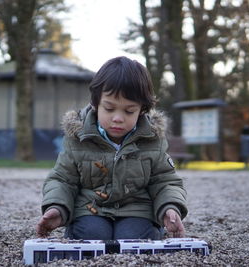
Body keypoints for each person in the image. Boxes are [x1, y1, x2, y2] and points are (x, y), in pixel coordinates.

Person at [36, 56, 187, 240]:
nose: (117, 118)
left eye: (129, 111)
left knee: (133, 237)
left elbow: (165, 181)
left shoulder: (152, 140)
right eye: (109, 108)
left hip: (137, 210)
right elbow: (62, 179)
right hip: (91, 209)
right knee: (92, 235)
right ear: (96, 103)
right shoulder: (79, 137)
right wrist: (56, 207)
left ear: (142, 110)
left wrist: (170, 208)